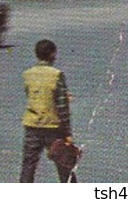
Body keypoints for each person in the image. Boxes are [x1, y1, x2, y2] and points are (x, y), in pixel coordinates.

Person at [20, 38, 74, 183]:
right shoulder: (56, 75)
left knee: (29, 165)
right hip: (52, 127)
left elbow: (31, 95)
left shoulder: (28, 74)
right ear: (52, 54)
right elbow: (62, 106)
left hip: (32, 125)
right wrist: (67, 131)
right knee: (64, 166)